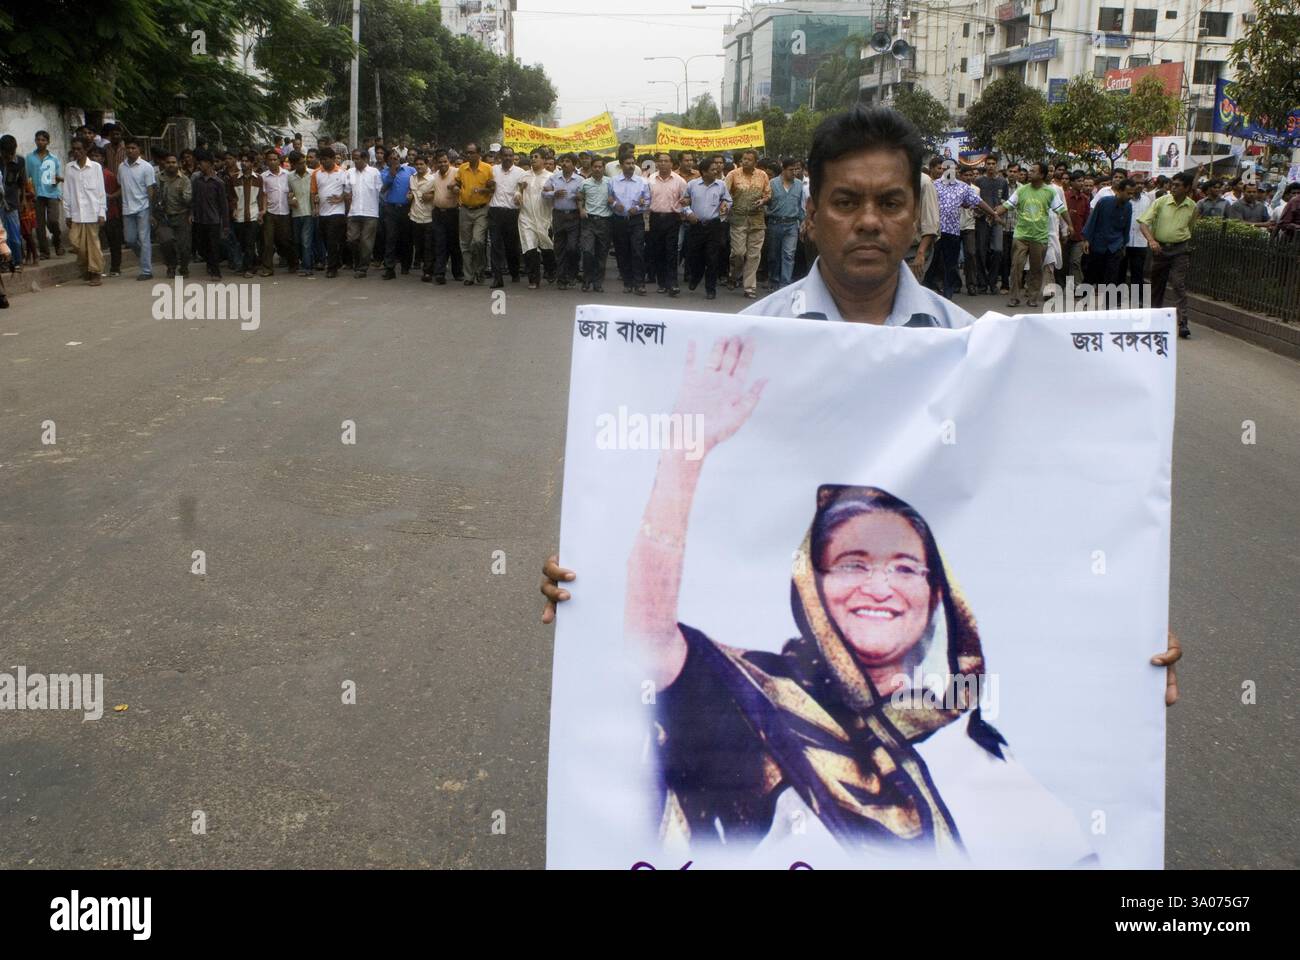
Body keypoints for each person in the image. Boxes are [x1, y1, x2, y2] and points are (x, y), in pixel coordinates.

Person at [539, 106, 1187, 752]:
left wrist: (1123, 635)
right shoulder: (737, 360)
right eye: (846, 201)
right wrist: (586, 578)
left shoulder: (979, 359)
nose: (869, 221)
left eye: (891, 202)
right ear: (812, 215)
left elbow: (1037, 526)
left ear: (916, 217)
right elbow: (656, 563)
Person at [993, 161, 1066, 308]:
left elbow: (1061, 210)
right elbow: (1007, 205)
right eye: (1030, 170)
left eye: (1033, 171)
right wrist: (994, 213)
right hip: (1021, 236)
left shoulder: (1050, 192)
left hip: (1039, 237)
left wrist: (1069, 225)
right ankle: (1014, 297)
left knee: (1036, 269)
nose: (1029, 173)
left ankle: (1032, 298)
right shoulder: (1021, 190)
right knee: (1016, 267)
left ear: (1042, 175)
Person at [1137, 170, 1199, 339]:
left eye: (1178, 186)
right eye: (1172, 184)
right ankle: (1154, 319)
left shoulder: (1192, 206)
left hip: (1180, 250)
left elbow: (1190, 227)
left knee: (1178, 284)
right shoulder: (1161, 202)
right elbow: (1143, 223)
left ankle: (1182, 322)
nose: (1173, 188)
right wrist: (1152, 241)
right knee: (1157, 285)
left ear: (1187, 188)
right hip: (1160, 249)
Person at [934, 165, 999, 301]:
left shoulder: (963, 187)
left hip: (954, 230)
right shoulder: (935, 185)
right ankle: (933, 287)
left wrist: (993, 213)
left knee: (952, 261)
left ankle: (948, 291)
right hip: (936, 230)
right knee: (935, 260)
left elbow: (978, 202)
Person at [680, 155, 731, 301]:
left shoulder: (721, 185)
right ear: (704, 171)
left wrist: (725, 207)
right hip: (696, 226)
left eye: (717, 169)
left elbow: (728, 200)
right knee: (695, 256)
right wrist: (689, 213)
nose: (716, 171)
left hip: (714, 226)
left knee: (712, 258)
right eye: (713, 169)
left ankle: (711, 289)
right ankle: (695, 277)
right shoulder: (692, 185)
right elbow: (684, 202)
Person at [724, 149, 771, 298]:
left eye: (749, 159)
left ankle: (749, 287)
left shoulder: (762, 175)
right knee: (738, 253)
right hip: (738, 219)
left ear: (755, 162)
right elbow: (725, 194)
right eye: (744, 159)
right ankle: (734, 274)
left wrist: (763, 200)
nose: (745, 161)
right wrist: (725, 207)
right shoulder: (732, 175)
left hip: (757, 219)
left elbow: (768, 194)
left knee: (754, 255)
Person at [62, 139, 106, 285]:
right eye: (74, 149)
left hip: (92, 212)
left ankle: (95, 273)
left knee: (93, 245)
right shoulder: (69, 168)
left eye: (79, 149)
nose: (76, 152)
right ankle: (86, 268)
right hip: (76, 213)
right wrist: (67, 214)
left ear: (86, 150)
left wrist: (102, 212)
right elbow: (67, 191)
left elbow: (101, 191)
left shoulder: (95, 167)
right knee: (76, 243)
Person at [608, 153, 651, 295]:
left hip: (636, 220)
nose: (631, 166)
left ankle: (639, 283)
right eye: (628, 163)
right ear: (621, 165)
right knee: (622, 252)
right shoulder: (613, 181)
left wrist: (638, 208)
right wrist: (615, 204)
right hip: (619, 220)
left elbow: (648, 200)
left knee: (637, 251)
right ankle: (627, 282)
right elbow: (608, 198)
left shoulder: (642, 182)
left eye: (633, 163)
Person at [1082, 177, 1134, 285]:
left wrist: (1124, 245)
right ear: (1120, 191)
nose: (1131, 197)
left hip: (1115, 245)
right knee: (1092, 273)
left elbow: (1126, 227)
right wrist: (1087, 240)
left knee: (1111, 276)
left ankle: (1108, 300)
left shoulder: (1128, 207)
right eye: (1128, 193)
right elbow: (1092, 220)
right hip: (1098, 243)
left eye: (1132, 194)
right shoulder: (1104, 202)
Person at [543, 152, 584, 290]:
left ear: (574, 165)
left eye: (568, 161)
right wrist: (554, 193)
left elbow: (584, 196)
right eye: (563, 161)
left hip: (573, 216)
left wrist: (579, 197)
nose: (564, 164)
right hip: (559, 216)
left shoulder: (580, 180)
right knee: (559, 248)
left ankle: (572, 272)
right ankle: (562, 278)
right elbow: (544, 193)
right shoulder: (554, 178)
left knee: (572, 247)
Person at [454, 141, 493, 285]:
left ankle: (480, 269)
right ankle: (469, 276)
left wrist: (483, 190)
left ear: (479, 154)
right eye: (467, 153)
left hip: (481, 209)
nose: (469, 155)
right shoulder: (462, 168)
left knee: (478, 241)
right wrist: (455, 188)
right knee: (465, 244)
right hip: (464, 209)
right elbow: (457, 183)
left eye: (472, 153)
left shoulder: (488, 169)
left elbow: (492, 188)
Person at [765, 157, 806, 291]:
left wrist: (803, 222)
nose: (794, 172)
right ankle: (774, 279)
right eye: (790, 170)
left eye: (796, 169)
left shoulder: (800, 185)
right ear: (783, 169)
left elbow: (800, 206)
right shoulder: (772, 183)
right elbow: (765, 201)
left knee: (789, 255)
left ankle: (785, 285)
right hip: (775, 223)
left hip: (791, 225)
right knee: (773, 255)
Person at [488, 146, 526, 288]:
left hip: (512, 212)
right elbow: (488, 185)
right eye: (505, 155)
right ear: (500, 157)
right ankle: (497, 278)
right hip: (495, 211)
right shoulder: (493, 170)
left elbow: (523, 189)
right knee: (495, 245)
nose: (508, 158)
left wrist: (520, 193)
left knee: (512, 246)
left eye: (511, 155)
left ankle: (514, 272)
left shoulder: (520, 172)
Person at [517, 149, 555, 289]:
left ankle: (551, 270)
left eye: (536, 157)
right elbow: (518, 192)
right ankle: (533, 279)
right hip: (526, 217)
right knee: (529, 247)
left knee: (547, 246)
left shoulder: (551, 177)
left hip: (544, 217)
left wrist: (551, 193)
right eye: (531, 157)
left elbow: (555, 195)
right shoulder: (524, 176)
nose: (533, 159)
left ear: (544, 160)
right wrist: (518, 194)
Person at [576, 155, 613, 293]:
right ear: (591, 168)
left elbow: (615, 198)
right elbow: (579, 198)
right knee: (587, 252)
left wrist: (613, 201)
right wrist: (581, 209)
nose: (597, 169)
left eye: (600, 167)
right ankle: (586, 280)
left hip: (605, 222)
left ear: (604, 168)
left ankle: (598, 283)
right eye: (595, 167)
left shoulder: (610, 183)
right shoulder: (585, 183)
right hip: (589, 221)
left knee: (601, 254)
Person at [972, 155, 1008, 294]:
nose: (991, 166)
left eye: (993, 163)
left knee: (998, 250)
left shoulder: (1002, 182)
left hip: (997, 220)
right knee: (980, 251)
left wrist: (998, 211)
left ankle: (992, 282)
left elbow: (1006, 201)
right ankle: (982, 283)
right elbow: (975, 200)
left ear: (997, 165)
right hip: (982, 220)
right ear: (985, 165)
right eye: (989, 163)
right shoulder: (979, 181)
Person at [344, 149, 383, 278]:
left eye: (357, 158)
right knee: (351, 239)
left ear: (365, 159)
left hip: (370, 212)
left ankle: (363, 267)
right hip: (354, 212)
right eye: (353, 158)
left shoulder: (374, 173)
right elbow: (348, 192)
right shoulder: (350, 173)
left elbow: (380, 190)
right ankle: (358, 261)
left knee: (366, 242)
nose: (355, 161)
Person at [190, 150, 229, 279]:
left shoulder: (218, 183)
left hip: (213, 220)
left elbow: (223, 204)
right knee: (201, 246)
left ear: (209, 163)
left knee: (213, 246)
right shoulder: (197, 181)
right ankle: (210, 264)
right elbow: (194, 200)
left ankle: (215, 271)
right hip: (200, 219)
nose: (199, 165)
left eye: (201, 162)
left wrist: (225, 224)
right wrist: (191, 214)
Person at [25, 130, 63, 259]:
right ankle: (44, 252)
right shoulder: (29, 158)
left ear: (48, 142)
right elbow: (26, 177)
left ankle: (57, 242)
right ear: (35, 141)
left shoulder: (54, 159)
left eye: (43, 140)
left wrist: (57, 180)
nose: (40, 142)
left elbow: (57, 175)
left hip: (52, 193)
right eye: (38, 139)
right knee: (39, 225)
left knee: (52, 220)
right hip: (37, 194)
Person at [154, 150, 192, 279]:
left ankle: (184, 267)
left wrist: (182, 194)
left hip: (181, 215)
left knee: (184, 246)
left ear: (178, 164)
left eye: (173, 162)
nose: (171, 164)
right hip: (164, 216)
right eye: (168, 162)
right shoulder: (158, 178)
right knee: (166, 242)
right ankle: (171, 266)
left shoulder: (185, 180)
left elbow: (188, 200)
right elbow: (153, 196)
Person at [260, 146, 298, 276]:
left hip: (285, 213)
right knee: (268, 242)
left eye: (274, 159)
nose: (272, 162)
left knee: (285, 241)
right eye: (269, 160)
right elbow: (263, 195)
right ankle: (267, 268)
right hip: (270, 213)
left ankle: (293, 263)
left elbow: (294, 191)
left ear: (279, 161)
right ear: (266, 161)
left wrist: (292, 198)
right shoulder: (263, 177)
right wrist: (263, 210)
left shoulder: (287, 175)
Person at [380, 148, 416, 279]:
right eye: (392, 158)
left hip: (406, 208)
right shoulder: (384, 172)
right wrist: (393, 170)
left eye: (397, 157)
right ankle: (389, 268)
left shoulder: (410, 170)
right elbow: (386, 184)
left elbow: (417, 184)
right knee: (390, 238)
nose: (395, 159)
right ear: (387, 160)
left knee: (406, 238)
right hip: (391, 209)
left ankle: (406, 266)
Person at [88, 145, 123, 278]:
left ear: (103, 158)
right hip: (93, 214)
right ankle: (97, 268)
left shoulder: (109, 175)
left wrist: (111, 196)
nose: (94, 158)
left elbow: (120, 189)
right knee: (97, 244)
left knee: (114, 242)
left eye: (97, 156)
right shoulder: (86, 174)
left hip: (111, 212)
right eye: (92, 156)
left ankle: (115, 267)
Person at [314, 147, 348, 278]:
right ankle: (337, 260)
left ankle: (332, 268)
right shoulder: (316, 173)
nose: (323, 162)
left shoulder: (342, 172)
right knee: (326, 239)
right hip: (322, 212)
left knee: (332, 240)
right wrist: (315, 207)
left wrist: (341, 198)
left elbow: (349, 189)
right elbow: (314, 192)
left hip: (337, 212)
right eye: (321, 159)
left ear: (333, 159)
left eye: (326, 159)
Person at [429, 149, 462, 283]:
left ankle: (458, 273)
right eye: (440, 162)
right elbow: (431, 191)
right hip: (438, 213)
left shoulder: (456, 173)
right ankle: (440, 273)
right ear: (436, 163)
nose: (443, 164)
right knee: (440, 243)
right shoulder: (434, 176)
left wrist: (456, 188)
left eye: (445, 161)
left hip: (453, 213)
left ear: (449, 161)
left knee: (454, 244)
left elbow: (462, 186)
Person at [229, 152, 264, 279]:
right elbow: (232, 197)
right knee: (242, 243)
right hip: (239, 215)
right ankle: (254, 263)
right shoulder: (234, 179)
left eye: (246, 161)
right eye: (242, 161)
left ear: (252, 163)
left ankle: (248, 268)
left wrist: (261, 212)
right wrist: (233, 209)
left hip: (253, 215)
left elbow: (260, 196)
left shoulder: (258, 178)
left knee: (250, 243)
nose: (243, 163)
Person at [406, 153, 437, 282]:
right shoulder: (412, 178)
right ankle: (426, 266)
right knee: (419, 246)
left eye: (421, 164)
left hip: (429, 217)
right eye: (417, 164)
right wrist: (409, 196)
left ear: (427, 165)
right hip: (415, 216)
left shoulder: (433, 179)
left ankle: (428, 271)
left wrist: (432, 196)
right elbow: (411, 192)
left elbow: (437, 194)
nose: (419, 167)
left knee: (429, 246)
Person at [0, 135, 27, 271]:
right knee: (1, 237)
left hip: (12, 203)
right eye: (6, 154)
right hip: (0, 204)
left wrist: (23, 200)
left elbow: (22, 182)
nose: (10, 157)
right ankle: (4, 263)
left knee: (15, 235)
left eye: (12, 153)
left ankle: (17, 262)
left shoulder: (20, 161)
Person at [1125, 174, 1156, 286]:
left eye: (1142, 183)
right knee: (1120, 270)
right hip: (1124, 241)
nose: (1139, 185)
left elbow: (1150, 221)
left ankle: (1137, 299)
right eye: (1136, 183)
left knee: (1137, 272)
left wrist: (1150, 238)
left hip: (1140, 241)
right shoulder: (1125, 199)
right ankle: (1117, 297)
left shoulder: (1147, 200)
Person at [288, 151, 314, 276]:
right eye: (300, 163)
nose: (303, 165)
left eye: (304, 162)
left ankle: (307, 267)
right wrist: (291, 199)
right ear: (293, 164)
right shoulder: (290, 177)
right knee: (297, 241)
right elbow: (289, 192)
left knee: (305, 240)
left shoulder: (313, 173)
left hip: (309, 212)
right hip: (296, 213)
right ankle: (304, 262)